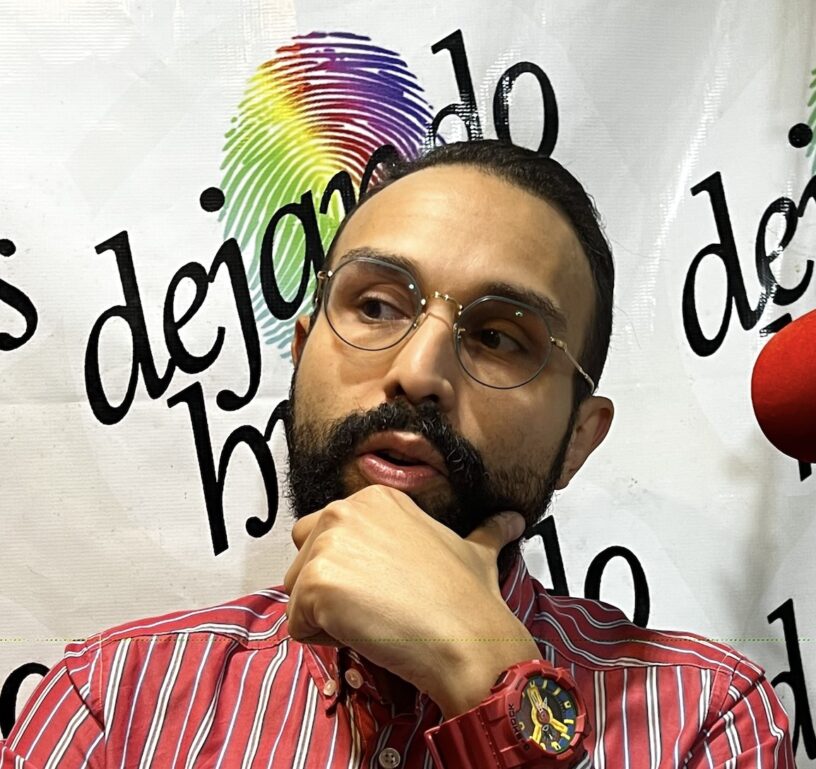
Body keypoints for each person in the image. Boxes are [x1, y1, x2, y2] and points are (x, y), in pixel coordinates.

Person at [0, 141, 795, 768]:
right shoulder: (112, 702)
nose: (419, 371)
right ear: (302, 354)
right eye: (376, 305)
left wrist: (490, 682)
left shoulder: (708, 718)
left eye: (498, 337)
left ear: (578, 439)